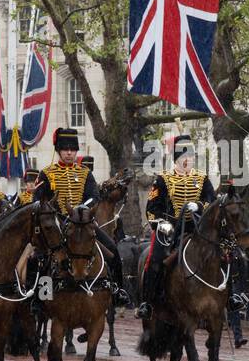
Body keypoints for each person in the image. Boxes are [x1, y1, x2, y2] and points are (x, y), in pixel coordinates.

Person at [39, 127, 127, 299]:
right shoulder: (46, 174)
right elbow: (40, 201)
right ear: (58, 150)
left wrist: (81, 211)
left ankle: (117, 291)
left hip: (84, 222)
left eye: (72, 149)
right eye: (65, 149)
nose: (69, 153)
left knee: (113, 250)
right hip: (57, 225)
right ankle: (41, 297)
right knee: (39, 258)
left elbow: (94, 197)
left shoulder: (85, 173)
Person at [136, 133, 215, 319]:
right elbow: (151, 208)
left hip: (197, 230)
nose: (188, 160)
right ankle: (148, 302)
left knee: (224, 253)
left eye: (191, 157)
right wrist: (160, 224)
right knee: (154, 260)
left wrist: (201, 205)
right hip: (170, 230)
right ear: (177, 159)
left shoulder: (202, 179)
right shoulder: (163, 179)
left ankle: (231, 297)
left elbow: (213, 202)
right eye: (184, 157)